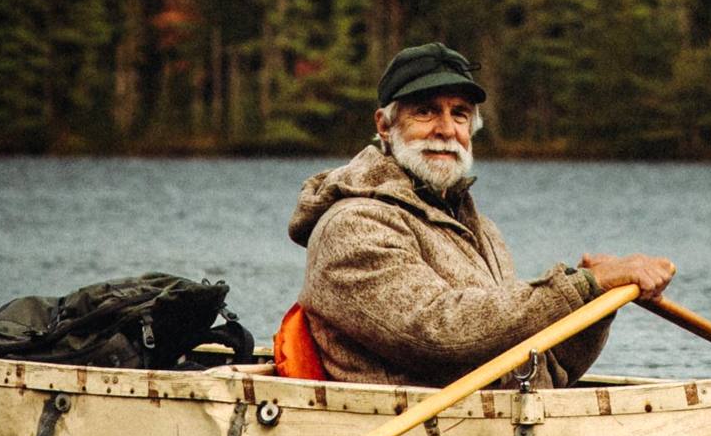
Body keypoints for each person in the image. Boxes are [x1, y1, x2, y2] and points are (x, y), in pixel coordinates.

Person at [289, 43, 675, 388]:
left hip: (491, 434)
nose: (445, 129)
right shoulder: (353, 227)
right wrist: (579, 287)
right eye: (425, 112)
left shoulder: (480, 230)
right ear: (384, 126)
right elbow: (439, 334)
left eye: (459, 114)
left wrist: (594, 304)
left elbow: (543, 372)